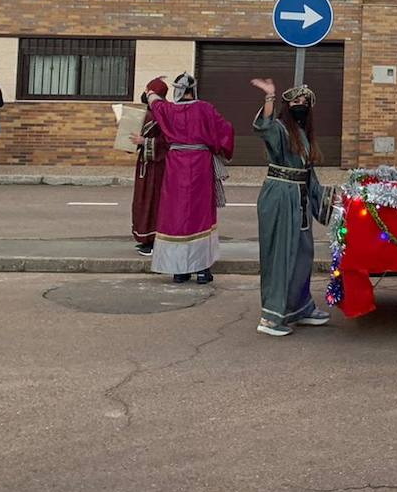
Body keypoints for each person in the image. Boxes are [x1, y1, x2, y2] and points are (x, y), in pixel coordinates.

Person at [251, 79, 333, 337]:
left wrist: (329, 202)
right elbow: (264, 127)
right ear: (287, 106)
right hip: (280, 198)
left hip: (300, 199)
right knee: (281, 255)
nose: (301, 106)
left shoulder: (303, 135)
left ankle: (300, 308)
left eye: (305, 103)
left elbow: (310, 174)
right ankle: (271, 317)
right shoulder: (280, 129)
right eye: (296, 102)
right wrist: (269, 98)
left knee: (302, 254)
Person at [145, 73, 234, 284]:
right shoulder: (205, 109)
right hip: (201, 166)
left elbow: (153, 99)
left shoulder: (167, 110)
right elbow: (226, 130)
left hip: (176, 167)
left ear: (176, 89)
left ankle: (179, 270)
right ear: (193, 90)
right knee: (200, 215)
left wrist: (152, 88)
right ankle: (202, 269)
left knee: (176, 215)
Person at [130, 77, 171, 256]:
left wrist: (144, 141)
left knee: (153, 202)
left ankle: (154, 240)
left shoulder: (165, 115)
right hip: (145, 166)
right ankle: (145, 238)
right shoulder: (148, 113)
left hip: (158, 168)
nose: (146, 94)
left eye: (149, 91)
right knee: (142, 200)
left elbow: (167, 141)